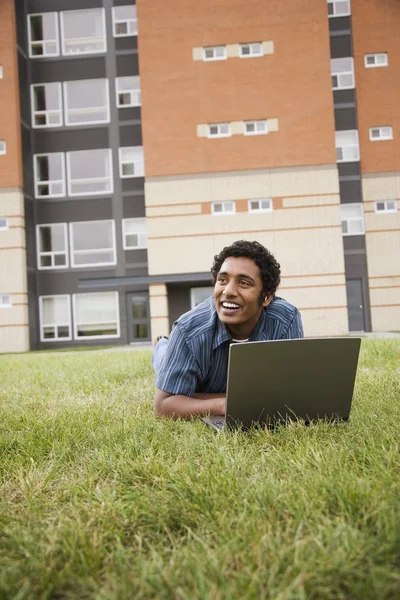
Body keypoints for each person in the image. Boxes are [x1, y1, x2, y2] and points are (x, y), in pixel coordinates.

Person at [153, 240, 304, 419]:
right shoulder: (188, 330)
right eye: (222, 280)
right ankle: (162, 345)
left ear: (266, 297)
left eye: (244, 283)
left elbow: (292, 392)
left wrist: (194, 398)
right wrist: (225, 405)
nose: (228, 291)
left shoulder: (286, 319)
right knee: (163, 357)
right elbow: (164, 405)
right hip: (174, 347)